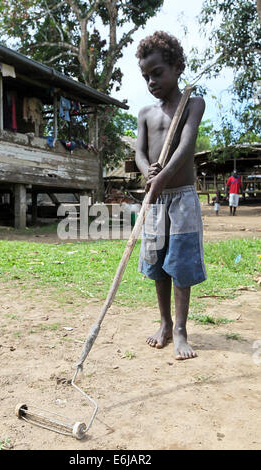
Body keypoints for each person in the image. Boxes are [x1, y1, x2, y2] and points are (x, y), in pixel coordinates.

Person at [135, 31, 207, 360]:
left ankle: (180, 329)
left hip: (181, 198)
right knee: (157, 263)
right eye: (146, 76)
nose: (151, 81)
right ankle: (164, 323)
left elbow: (187, 146)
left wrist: (165, 177)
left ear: (177, 67)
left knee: (179, 261)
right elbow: (138, 152)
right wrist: (148, 170)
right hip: (155, 199)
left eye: (157, 73)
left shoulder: (192, 104)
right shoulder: (146, 114)